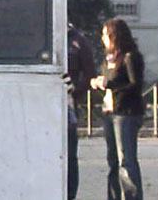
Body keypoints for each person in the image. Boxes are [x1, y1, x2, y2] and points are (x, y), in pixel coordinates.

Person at [90, 18, 145, 200]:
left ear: (115, 36)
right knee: (112, 159)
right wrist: (99, 82)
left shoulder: (130, 56)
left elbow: (135, 84)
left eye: (105, 34)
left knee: (126, 159)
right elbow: (109, 80)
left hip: (126, 112)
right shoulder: (109, 59)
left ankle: (131, 196)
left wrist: (110, 84)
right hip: (109, 111)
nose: (102, 38)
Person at [66, 23, 97, 200]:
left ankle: (70, 194)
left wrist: (75, 92)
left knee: (70, 154)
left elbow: (89, 74)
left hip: (68, 105)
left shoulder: (78, 41)